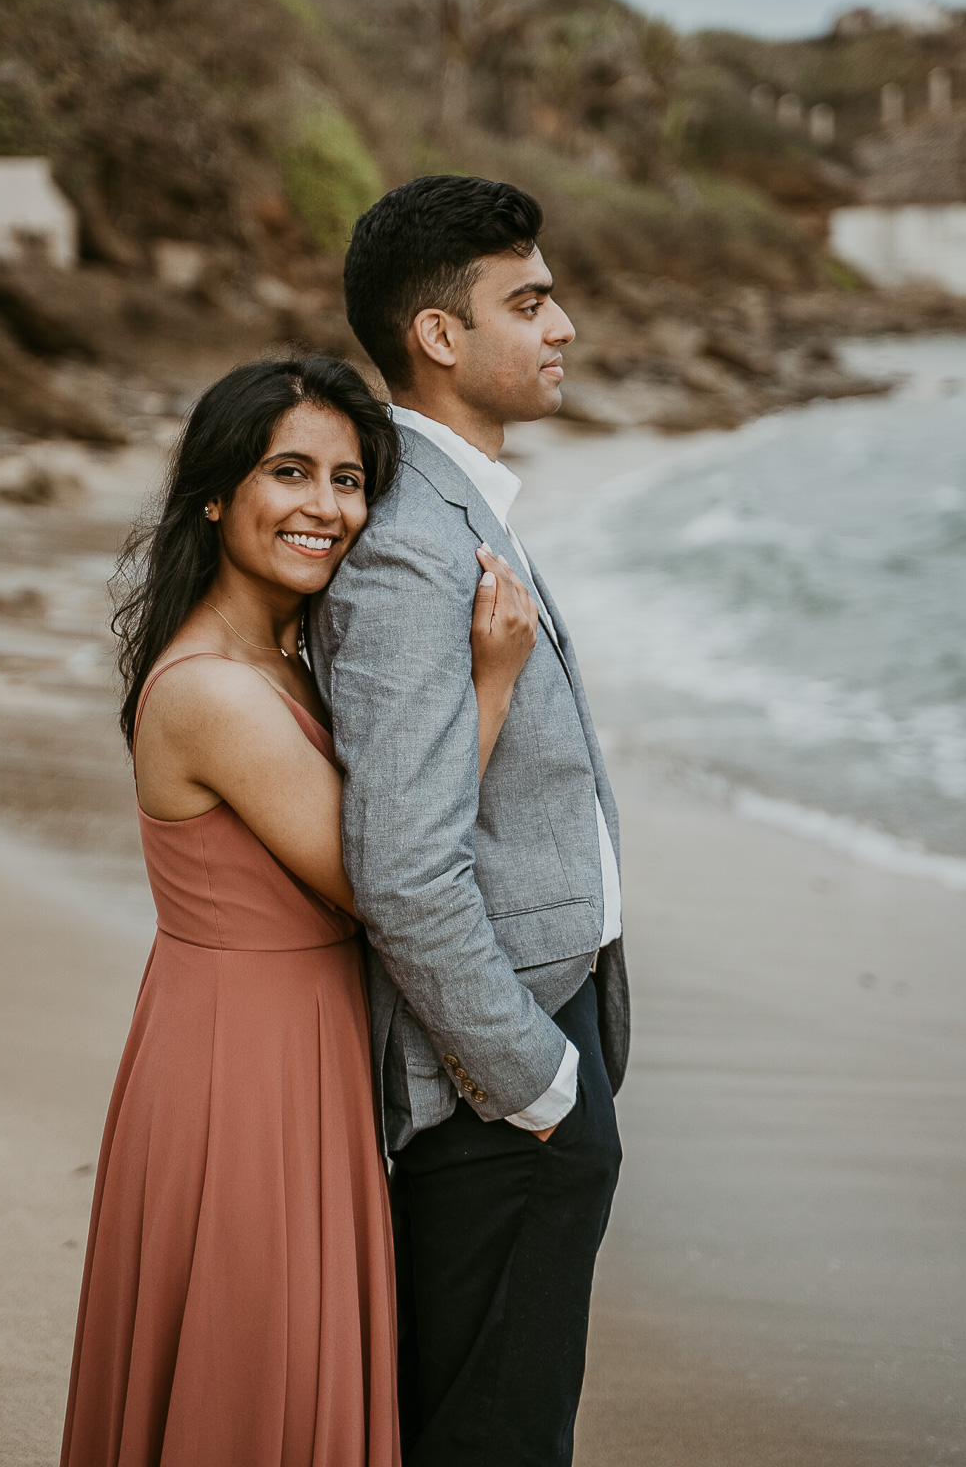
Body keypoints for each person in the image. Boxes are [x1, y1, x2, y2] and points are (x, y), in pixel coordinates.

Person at [59, 354, 539, 1467]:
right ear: (218, 492)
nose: (327, 507)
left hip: (292, 1050)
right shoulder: (213, 692)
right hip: (240, 1070)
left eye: (350, 479)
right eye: (291, 472)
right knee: (253, 1365)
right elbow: (381, 878)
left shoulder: (286, 658)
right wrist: (492, 686)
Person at [310, 176, 630, 1467]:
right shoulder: (408, 545)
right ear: (440, 336)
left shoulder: (460, 509)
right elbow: (401, 863)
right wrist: (536, 1083)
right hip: (501, 1072)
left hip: (545, 1027)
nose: (564, 328)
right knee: (491, 1437)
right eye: (531, 301)